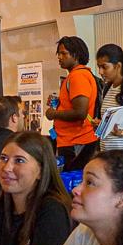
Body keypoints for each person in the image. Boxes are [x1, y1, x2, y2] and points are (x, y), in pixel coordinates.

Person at [46, 36, 99, 170]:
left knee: (72, 183)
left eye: (64, 53)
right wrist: (58, 104)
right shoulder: (74, 76)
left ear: (75, 55)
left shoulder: (78, 76)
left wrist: (53, 114)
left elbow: (80, 112)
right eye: (59, 53)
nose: (59, 57)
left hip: (76, 141)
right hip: (71, 140)